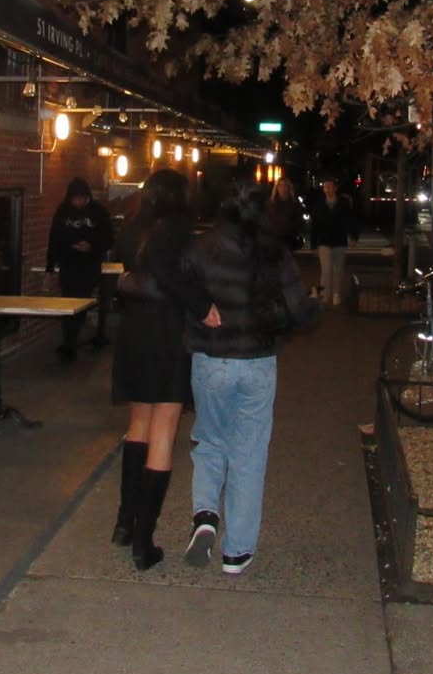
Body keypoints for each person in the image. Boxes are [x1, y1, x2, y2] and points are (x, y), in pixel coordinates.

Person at [181, 180, 317, 574]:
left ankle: (206, 515)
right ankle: (237, 552)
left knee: (210, 441)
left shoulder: (201, 248)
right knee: (249, 453)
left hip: (211, 359)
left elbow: (178, 290)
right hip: (258, 361)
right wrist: (313, 308)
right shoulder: (273, 251)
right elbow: (298, 310)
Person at [110, 169, 220, 571]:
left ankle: (125, 522)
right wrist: (204, 307)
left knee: (139, 421)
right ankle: (144, 540)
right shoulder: (173, 228)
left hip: (134, 331)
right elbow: (169, 273)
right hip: (166, 332)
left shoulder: (132, 226)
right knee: (164, 427)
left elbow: (136, 270)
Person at [45, 177, 114, 360]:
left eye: (81, 199)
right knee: (68, 303)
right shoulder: (63, 211)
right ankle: (69, 342)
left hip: (89, 266)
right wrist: (50, 268)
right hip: (68, 265)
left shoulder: (98, 212)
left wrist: (92, 246)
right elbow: (54, 239)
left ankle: (71, 342)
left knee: (80, 303)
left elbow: (108, 238)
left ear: (87, 197)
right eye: (74, 199)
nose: (77, 202)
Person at [309, 175, 358, 306]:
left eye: (330, 187)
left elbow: (351, 220)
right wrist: (314, 245)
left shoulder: (343, 203)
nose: (327, 189)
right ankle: (325, 295)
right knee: (326, 270)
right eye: (325, 187)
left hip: (339, 240)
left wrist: (353, 236)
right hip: (324, 241)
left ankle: (336, 293)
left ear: (335, 188)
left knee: (338, 269)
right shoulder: (319, 204)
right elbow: (315, 226)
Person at [267, 176, 304, 250]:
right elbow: (266, 218)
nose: (283, 188)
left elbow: (299, 219)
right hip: (274, 238)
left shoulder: (294, 203)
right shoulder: (271, 203)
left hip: (289, 237)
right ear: (277, 188)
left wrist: (293, 229)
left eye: (285, 186)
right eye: (280, 186)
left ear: (289, 188)